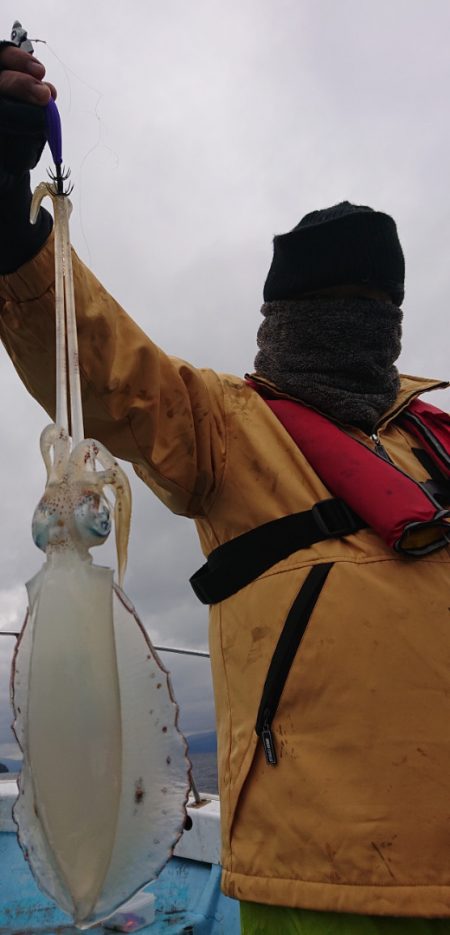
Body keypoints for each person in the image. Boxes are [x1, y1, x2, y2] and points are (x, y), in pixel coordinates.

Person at [0, 43, 450, 935]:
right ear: (276, 320)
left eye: (373, 306)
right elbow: (104, 367)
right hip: (321, 879)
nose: (357, 326)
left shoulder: (433, 442)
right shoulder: (227, 428)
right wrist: (13, 235)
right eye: (332, 306)